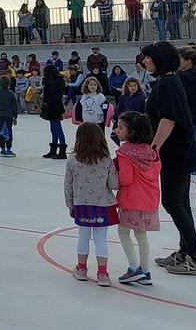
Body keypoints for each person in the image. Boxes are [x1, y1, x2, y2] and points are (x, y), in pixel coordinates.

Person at [141, 41, 196, 275]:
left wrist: (153, 148)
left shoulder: (167, 83)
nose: (145, 61)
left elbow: (168, 120)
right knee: (181, 203)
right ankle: (185, 251)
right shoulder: (168, 80)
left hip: (176, 152)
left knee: (172, 203)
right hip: (180, 150)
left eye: (148, 58)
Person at [66, 122, 119, 287]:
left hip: (82, 205)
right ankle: (102, 274)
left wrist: (70, 205)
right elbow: (114, 185)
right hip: (103, 205)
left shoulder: (72, 160)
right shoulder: (106, 161)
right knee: (100, 238)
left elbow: (68, 186)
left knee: (83, 236)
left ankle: (81, 269)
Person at [113, 111, 161, 285]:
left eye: (120, 127)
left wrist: (113, 176)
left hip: (131, 199)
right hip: (148, 200)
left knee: (123, 231)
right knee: (141, 234)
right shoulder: (152, 152)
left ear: (132, 131)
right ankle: (145, 270)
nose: (117, 130)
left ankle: (133, 268)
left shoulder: (125, 152)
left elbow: (125, 178)